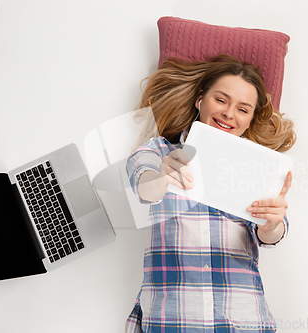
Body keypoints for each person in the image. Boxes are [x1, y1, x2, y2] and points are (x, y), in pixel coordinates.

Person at [125, 54, 296, 332]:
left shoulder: (260, 168)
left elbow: (269, 236)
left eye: (243, 109)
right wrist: (163, 177)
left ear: (251, 119)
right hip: (171, 320)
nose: (229, 113)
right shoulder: (158, 151)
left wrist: (272, 222)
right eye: (221, 100)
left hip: (242, 321)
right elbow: (145, 189)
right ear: (200, 100)